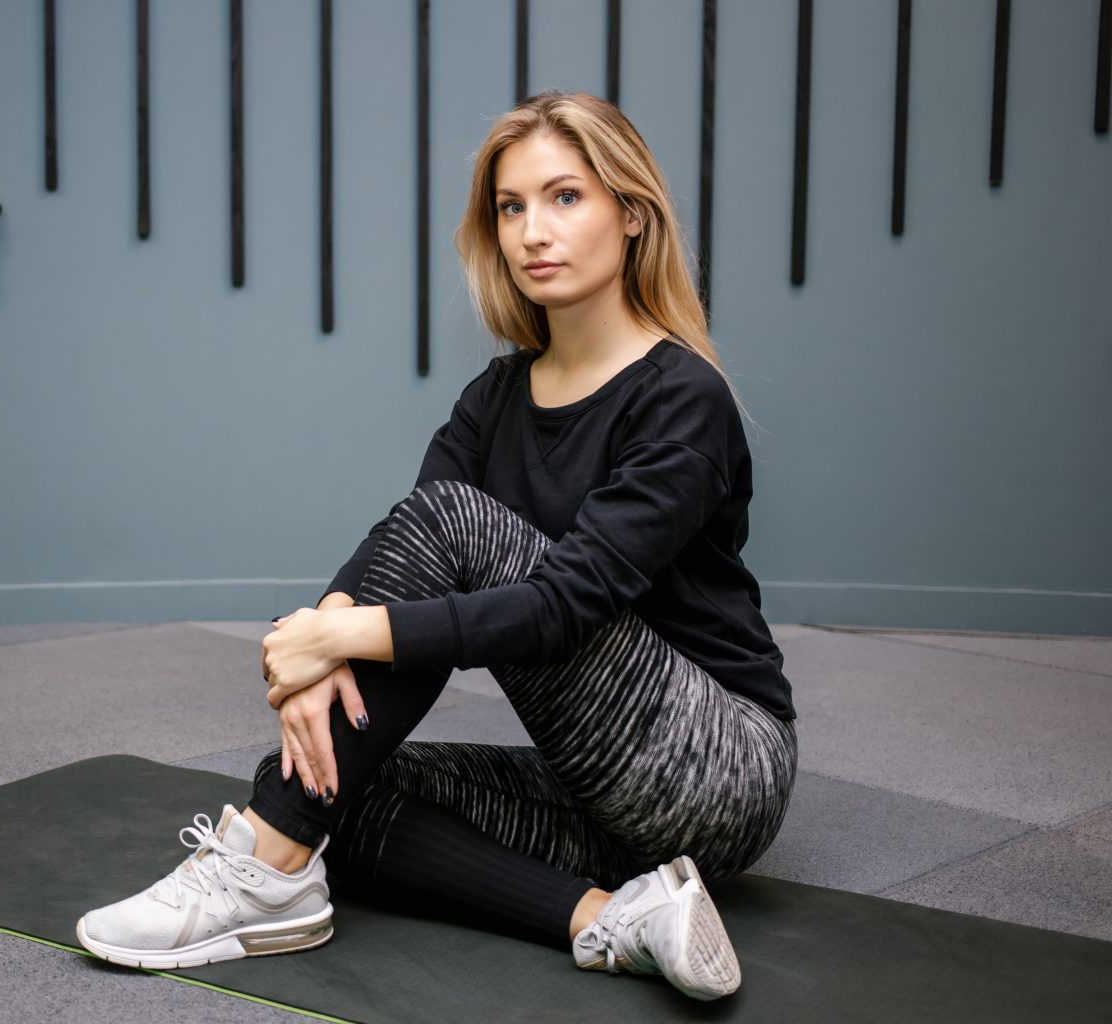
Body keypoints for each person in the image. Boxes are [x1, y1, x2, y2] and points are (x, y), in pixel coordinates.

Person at [77, 90, 797, 1003]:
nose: (535, 229)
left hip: (718, 765)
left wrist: (329, 638)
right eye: (511, 206)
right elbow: (403, 538)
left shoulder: (682, 397)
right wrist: (325, 622)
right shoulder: (496, 398)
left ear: (632, 214)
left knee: (452, 535)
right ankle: (614, 918)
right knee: (339, 783)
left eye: (566, 197)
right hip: (596, 786)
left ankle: (263, 866)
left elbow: (558, 608)